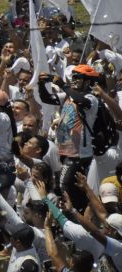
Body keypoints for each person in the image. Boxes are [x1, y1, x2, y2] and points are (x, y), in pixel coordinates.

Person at [38, 65, 101, 212]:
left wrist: (62, 84)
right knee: (70, 186)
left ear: (88, 82)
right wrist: (42, 84)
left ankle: (73, 216)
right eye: (73, 77)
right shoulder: (67, 96)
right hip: (65, 150)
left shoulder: (90, 98)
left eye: (78, 78)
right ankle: (77, 212)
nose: (74, 80)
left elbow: (80, 99)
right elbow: (46, 98)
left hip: (80, 153)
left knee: (63, 185)